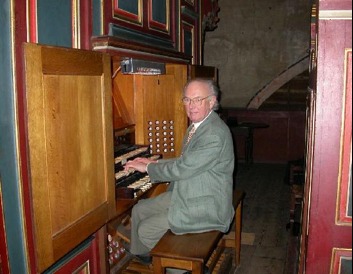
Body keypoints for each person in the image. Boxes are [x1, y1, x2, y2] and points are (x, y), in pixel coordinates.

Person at [124, 78, 235, 268]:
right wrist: (153, 162)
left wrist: (149, 168)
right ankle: (143, 254)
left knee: (146, 230)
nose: (191, 106)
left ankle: (181, 268)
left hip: (207, 205)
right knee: (139, 209)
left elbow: (183, 168)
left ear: (212, 101)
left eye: (198, 99)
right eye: (187, 100)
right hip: (192, 191)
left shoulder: (214, 134)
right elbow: (186, 161)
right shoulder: (198, 125)